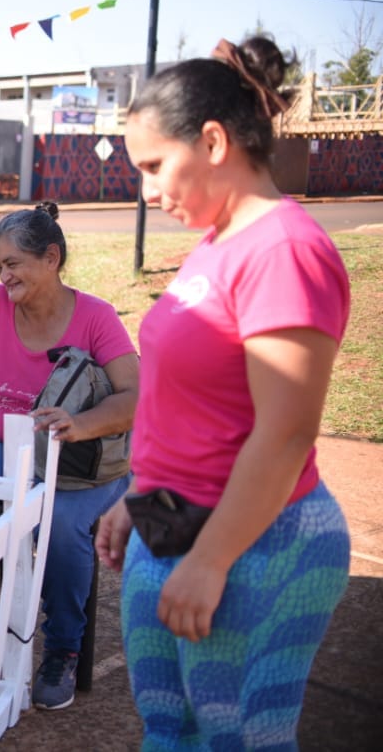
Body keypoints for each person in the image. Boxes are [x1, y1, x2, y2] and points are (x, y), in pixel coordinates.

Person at [97, 36, 351, 748]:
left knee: (235, 740)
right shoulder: (217, 243)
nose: (145, 190)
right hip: (173, 524)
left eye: (154, 165)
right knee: (170, 731)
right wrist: (137, 491)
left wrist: (211, 559)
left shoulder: (285, 251)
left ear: (212, 141)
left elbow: (285, 431)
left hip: (255, 543)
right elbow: (195, 403)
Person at [0, 202, 139, 710]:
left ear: (51, 258)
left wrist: (79, 424)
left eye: (13, 263)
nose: (4, 275)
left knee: (59, 529)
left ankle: (62, 647)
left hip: (82, 462)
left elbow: (134, 398)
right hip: (4, 446)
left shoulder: (96, 317)